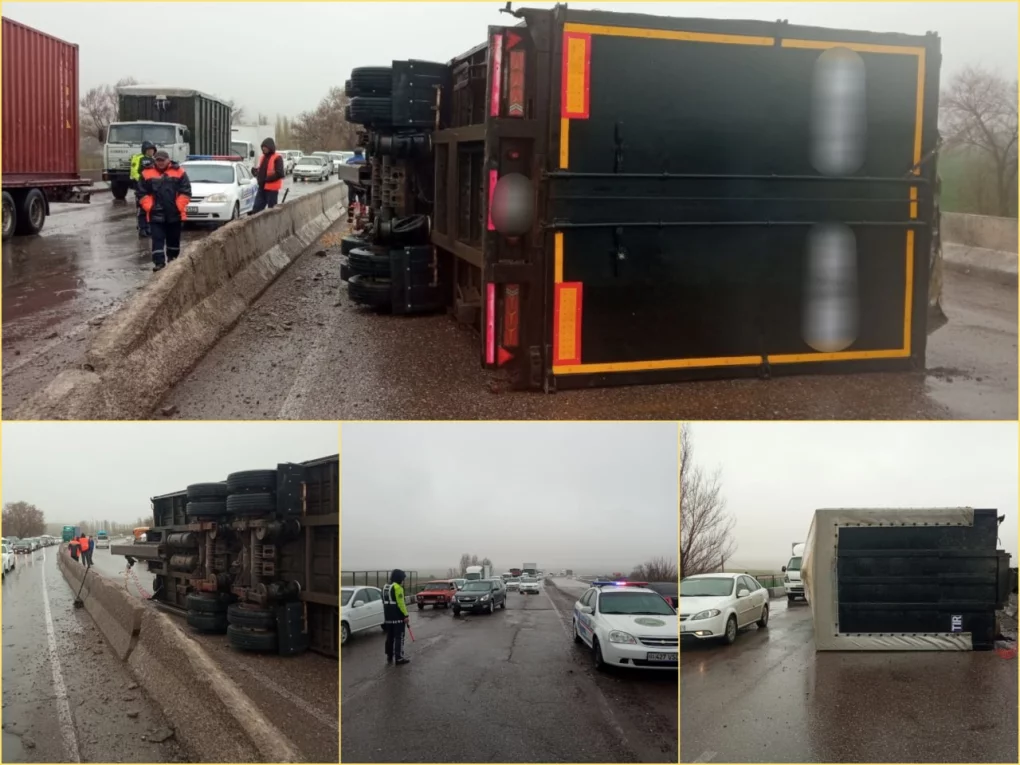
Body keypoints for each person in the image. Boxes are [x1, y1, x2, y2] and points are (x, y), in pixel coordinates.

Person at [137, 150, 192, 272]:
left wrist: (178, 207)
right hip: (155, 214)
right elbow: (141, 193)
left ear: (168, 160)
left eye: (162, 160)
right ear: (154, 160)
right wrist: (150, 207)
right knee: (157, 239)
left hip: (174, 214)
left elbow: (186, 191)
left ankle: (172, 260)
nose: (160, 162)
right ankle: (159, 263)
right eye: (158, 160)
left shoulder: (179, 172)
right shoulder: (146, 173)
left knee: (173, 240)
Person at [382, 569, 410, 665]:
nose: (403, 581)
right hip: (398, 617)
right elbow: (401, 603)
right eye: (402, 579)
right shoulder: (398, 588)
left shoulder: (386, 587)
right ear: (399, 578)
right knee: (399, 637)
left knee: (390, 636)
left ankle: (389, 656)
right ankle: (399, 658)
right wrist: (405, 615)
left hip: (388, 617)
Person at [130, 141, 158, 237]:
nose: (151, 152)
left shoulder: (154, 160)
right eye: (149, 150)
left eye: (152, 150)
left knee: (150, 208)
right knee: (142, 209)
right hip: (141, 188)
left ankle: (148, 227)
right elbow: (134, 172)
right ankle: (142, 228)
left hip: (152, 188)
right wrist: (142, 182)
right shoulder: (138, 158)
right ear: (145, 150)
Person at [252, 137, 285, 214]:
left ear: (270, 147)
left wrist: (267, 179)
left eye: (265, 147)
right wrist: (256, 172)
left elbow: (280, 173)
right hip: (261, 188)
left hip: (272, 190)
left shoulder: (277, 158)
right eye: (262, 147)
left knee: (271, 211)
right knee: (256, 209)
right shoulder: (263, 157)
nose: (263, 149)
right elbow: (262, 170)